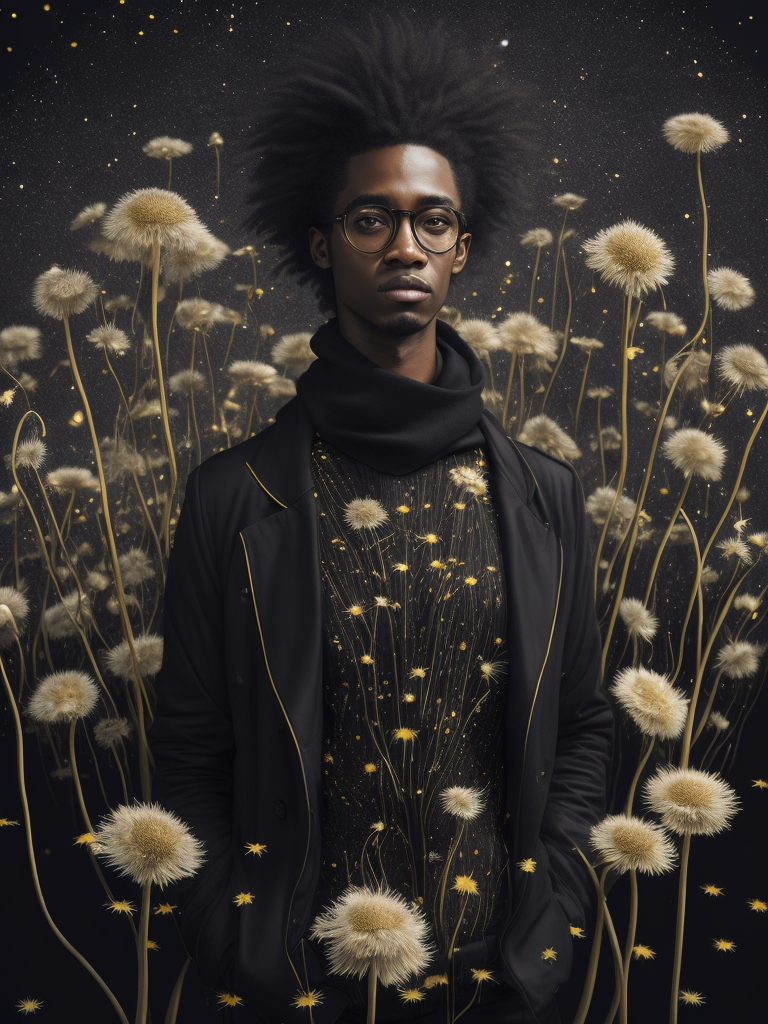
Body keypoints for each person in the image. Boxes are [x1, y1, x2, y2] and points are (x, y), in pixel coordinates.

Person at [150, 17, 613, 1024]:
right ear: (322, 242)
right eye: (371, 218)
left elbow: (579, 726)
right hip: (296, 988)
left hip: (501, 984)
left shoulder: (546, 495)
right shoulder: (234, 497)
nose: (405, 243)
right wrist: (238, 943)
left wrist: (553, 922)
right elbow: (188, 747)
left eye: (431, 220)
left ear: (462, 248)